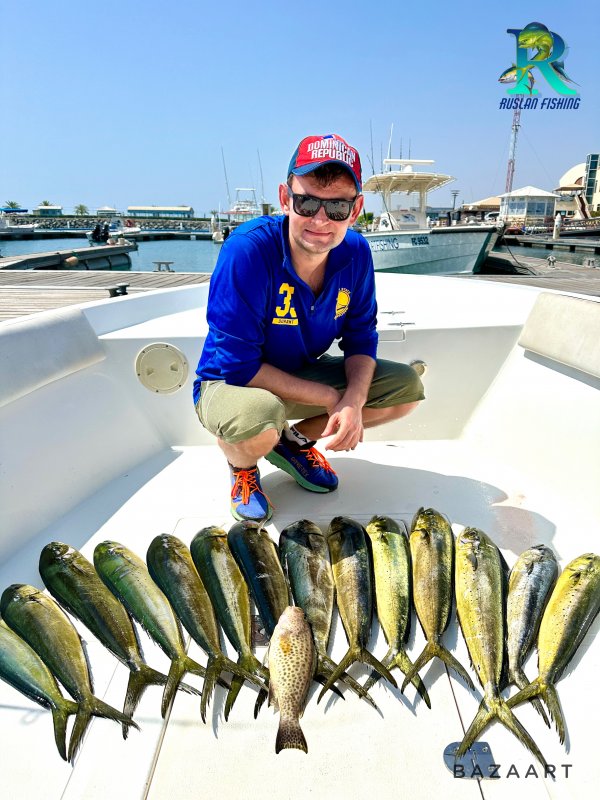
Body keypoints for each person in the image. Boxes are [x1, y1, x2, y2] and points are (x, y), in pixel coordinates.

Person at [193, 133, 425, 522]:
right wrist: (332, 397)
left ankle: (292, 441)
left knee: (406, 391)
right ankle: (242, 467)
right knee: (259, 418)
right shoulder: (247, 250)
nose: (320, 219)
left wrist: (353, 401)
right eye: (307, 203)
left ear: (356, 209)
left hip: (297, 371)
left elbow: (361, 338)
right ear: (285, 199)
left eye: (337, 206)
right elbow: (238, 366)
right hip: (229, 383)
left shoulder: (356, 252)